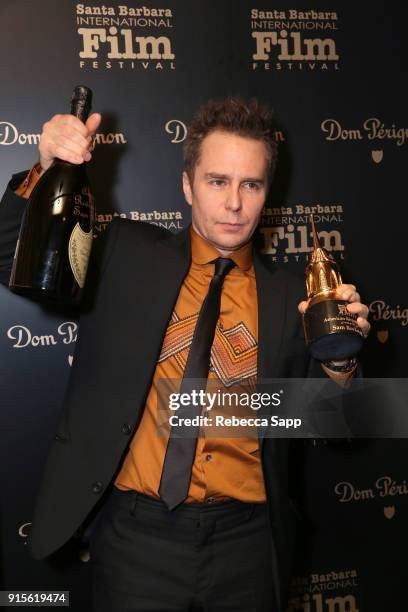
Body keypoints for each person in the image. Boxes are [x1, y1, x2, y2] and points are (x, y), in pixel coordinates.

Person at [0, 97, 370, 612]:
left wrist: (341, 359)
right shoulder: (123, 255)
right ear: (187, 185)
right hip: (135, 542)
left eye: (251, 185)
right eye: (218, 181)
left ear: (268, 193)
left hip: (247, 546)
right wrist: (46, 167)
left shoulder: (295, 296)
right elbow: (9, 252)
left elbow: (337, 430)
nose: (234, 204)